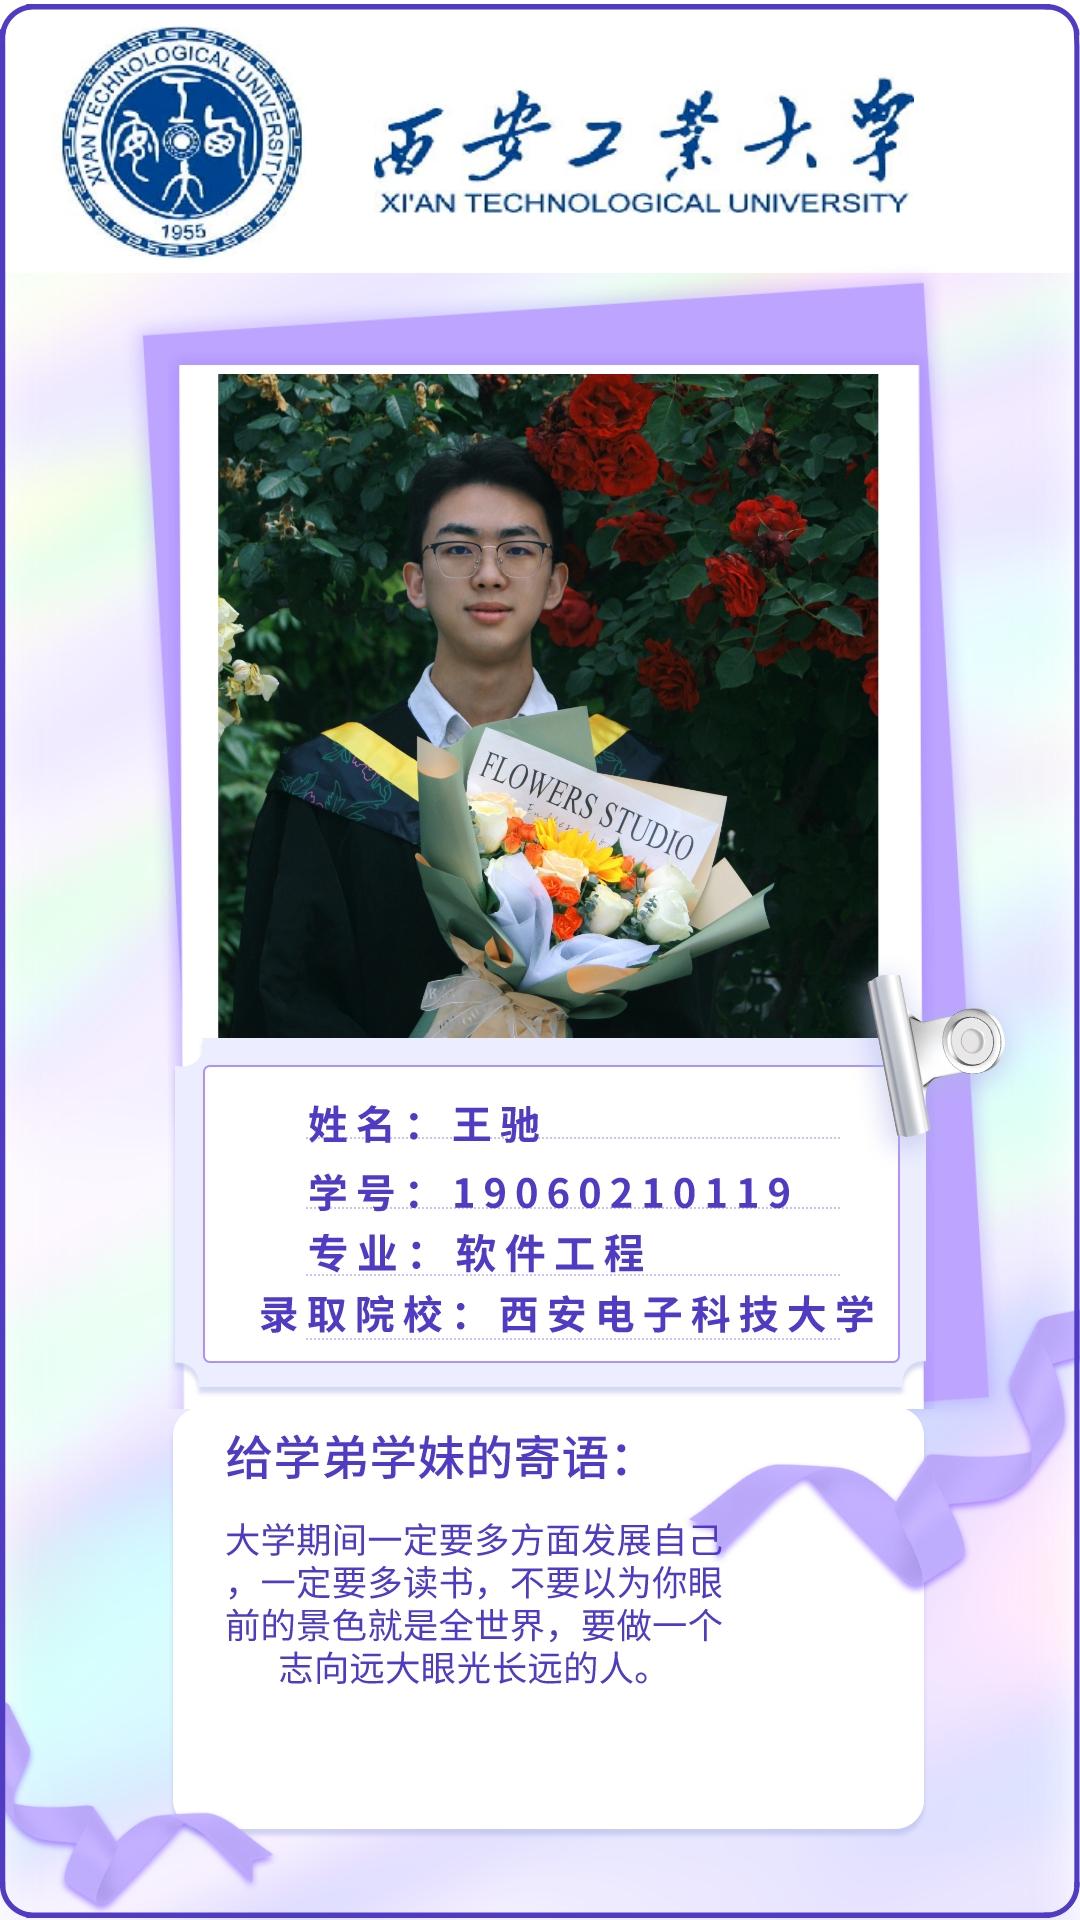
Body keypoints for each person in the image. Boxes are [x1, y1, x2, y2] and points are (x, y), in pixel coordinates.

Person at [231, 435, 714, 1038]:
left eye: (518, 549)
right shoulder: (331, 784)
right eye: (458, 549)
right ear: (415, 583)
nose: (489, 574)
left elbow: (673, 1019)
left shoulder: (631, 779)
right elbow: (288, 1001)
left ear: (555, 583)